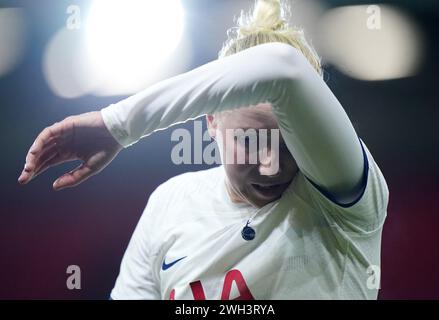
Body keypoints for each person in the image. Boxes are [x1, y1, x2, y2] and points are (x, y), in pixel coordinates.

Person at [18, 0, 389, 299]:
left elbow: (282, 68)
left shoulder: (343, 193)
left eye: (291, 144)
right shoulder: (170, 204)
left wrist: (118, 125)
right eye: (249, 140)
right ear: (211, 121)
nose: (271, 165)